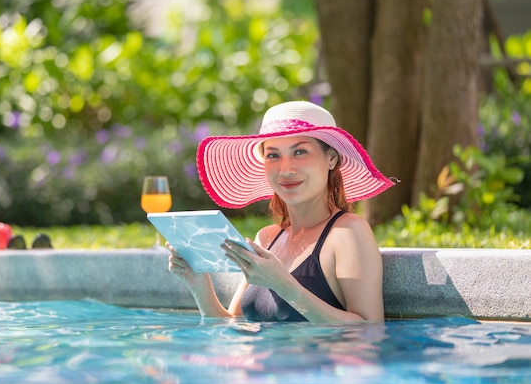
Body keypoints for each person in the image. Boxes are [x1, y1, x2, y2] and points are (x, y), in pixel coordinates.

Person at [167, 101, 395, 322]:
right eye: (273, 155)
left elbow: (369, 329)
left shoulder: (347, 233)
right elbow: (234, 326)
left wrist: (282, 284)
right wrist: (199, 285)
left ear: (332, 158)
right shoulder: (266, 239)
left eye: (300, 152)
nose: (286, 169)